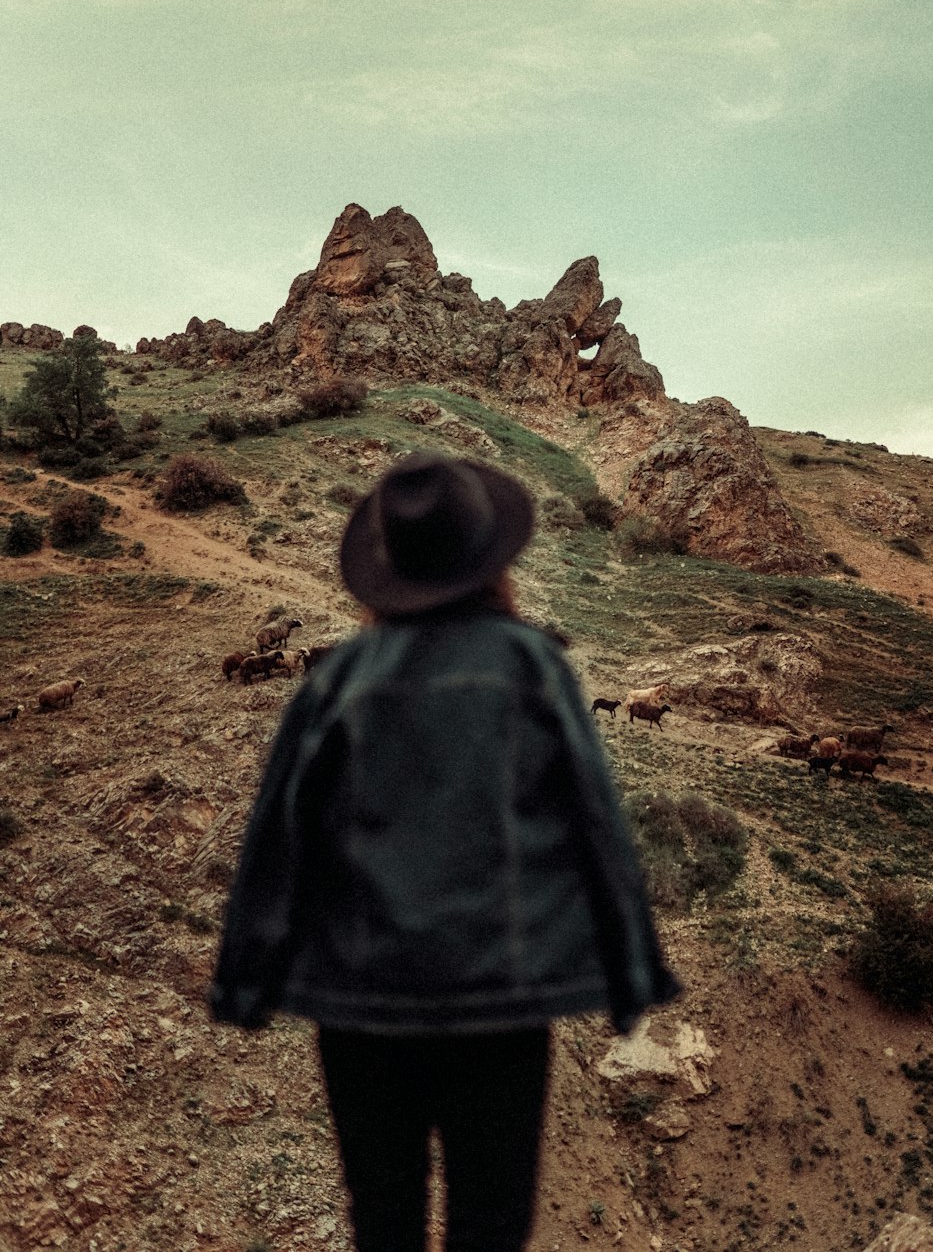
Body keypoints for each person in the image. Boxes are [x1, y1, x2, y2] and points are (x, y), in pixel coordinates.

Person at [209, 450, 680, 1252]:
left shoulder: (339, 680)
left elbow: (279, 832)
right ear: (490, 562)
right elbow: (595, 818)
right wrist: (630, 972)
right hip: (498, 1000)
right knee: (490, 1229)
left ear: (388, 571)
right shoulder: (532, 666)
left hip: (363, 1007)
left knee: (382, 1225)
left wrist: (246, 978)